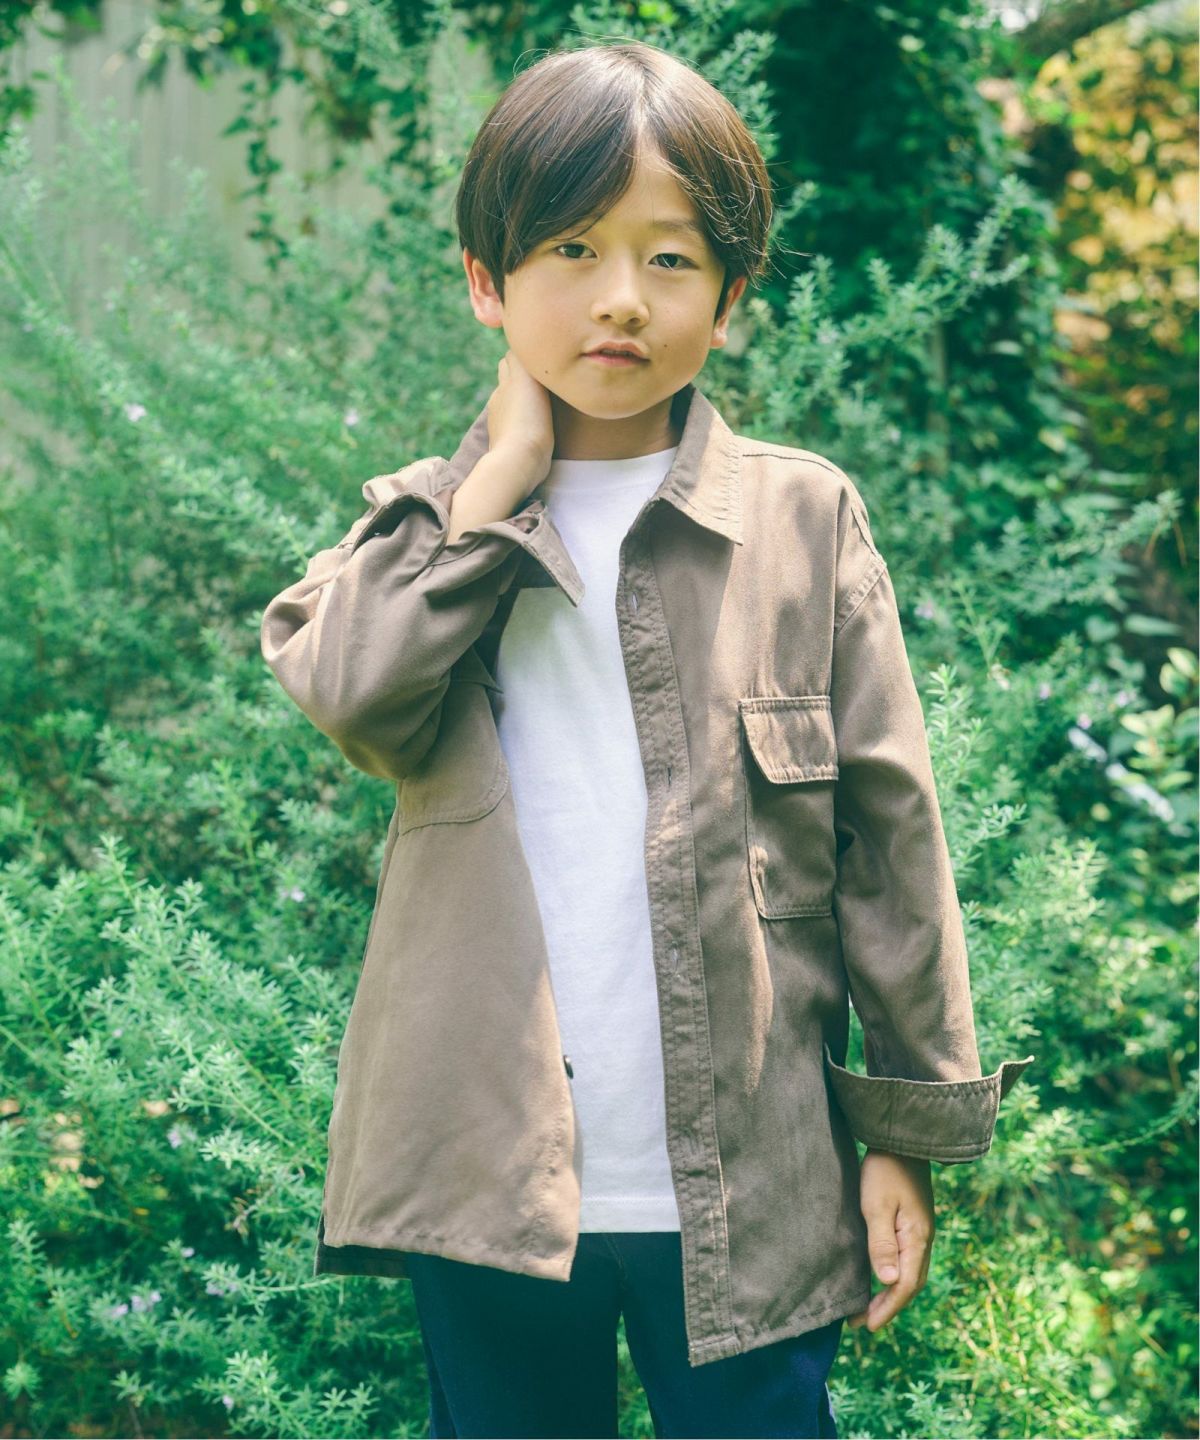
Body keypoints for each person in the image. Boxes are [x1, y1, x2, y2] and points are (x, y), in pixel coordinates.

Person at [260, 38, 1035, 1440]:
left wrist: (903, 1137)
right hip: (486, 1183)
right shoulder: (427, 522)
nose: (620, 296)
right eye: (571, 248)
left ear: (729, 300)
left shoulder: (802, 522)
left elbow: (890, 843)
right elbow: (351, 695)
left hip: (756, 1180)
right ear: (487, 281)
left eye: (670, 259)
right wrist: (491, 498)